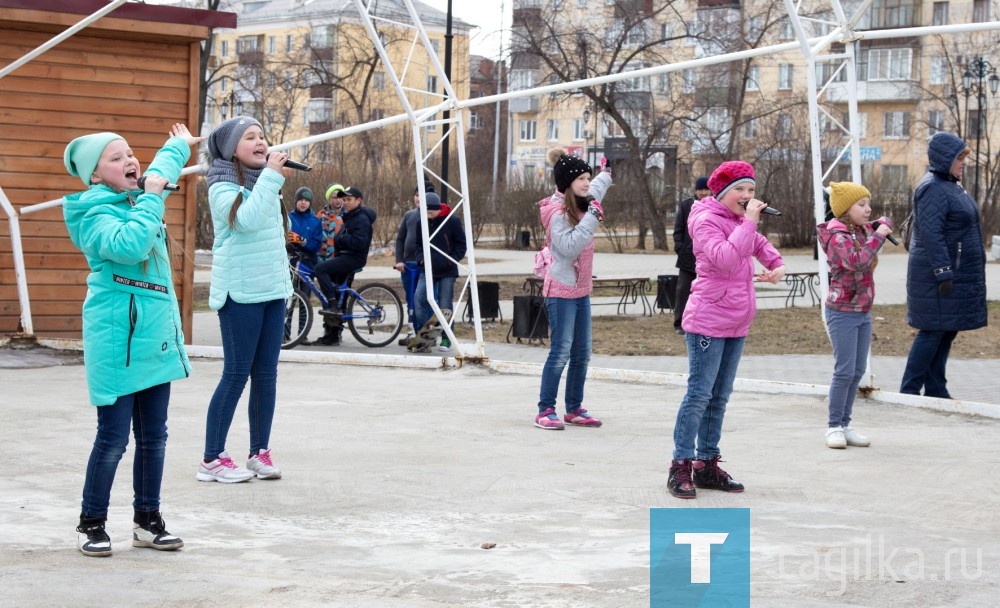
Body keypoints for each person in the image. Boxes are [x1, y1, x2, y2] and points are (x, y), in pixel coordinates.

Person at [62, 123, 203, 556]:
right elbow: (130, 246)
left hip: (153, 338)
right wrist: (152, 198)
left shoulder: (136, 195)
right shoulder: (93, 212)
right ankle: (92, 523)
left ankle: (148, 519)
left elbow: (158, 169)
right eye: (115, 158)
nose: (129, 161)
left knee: (155, 436)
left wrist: (178, 146)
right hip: (116, 339)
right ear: (94, 175)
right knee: (112, 439)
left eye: (129, 154)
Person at [667, 161, 786, 499]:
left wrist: (777, 264)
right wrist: (749, 222)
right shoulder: (706, 220)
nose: (747, 196)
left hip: (736, 321)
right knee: (699, 394)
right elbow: (725, 258)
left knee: (720, 396)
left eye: (751, 190)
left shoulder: (738, 221)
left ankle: (707, 463)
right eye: (740, 190)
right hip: (708, 319)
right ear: (721, 193)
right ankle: (680, 463)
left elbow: (759, 245)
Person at [199, 115, 293, 483]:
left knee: (266, 375)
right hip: (240, 293)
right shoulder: (221, 185)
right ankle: (212, 458)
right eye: (249, 137)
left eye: (262, 135)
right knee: (237, 374)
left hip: (271, 290)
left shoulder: (265, 182)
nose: (260, 141)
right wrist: (271, 176)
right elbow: (247, 221)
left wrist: (270, 180)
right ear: (229, 148)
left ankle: (259, 451)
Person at [900, 132, 988, 398]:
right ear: (945, 159)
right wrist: (942, 270)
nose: (963, 163)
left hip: (955, 271)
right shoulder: (933, 187)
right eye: (959, 158)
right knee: (932, 331)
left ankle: (936, 388)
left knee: (946, 330)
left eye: (964, 157)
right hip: (938, 275)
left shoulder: (949, 184)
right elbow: (931, 234)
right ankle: (909, 391)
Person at [534, 149, 613, 430]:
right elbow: (568, 249)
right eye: (580, 178)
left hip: (581, 291)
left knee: (582, 352)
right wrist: (592, 216)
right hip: (560, 290)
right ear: (567, 182)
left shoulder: (584, 200)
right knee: (561, 352)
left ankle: (574, 408)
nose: (586, 183)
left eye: (588, 177)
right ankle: (545, 410)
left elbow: (598, 188)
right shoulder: (557, 213)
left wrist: (608, 172)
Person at [816, 182, 894, 449]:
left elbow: (870, 233)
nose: (868, 209)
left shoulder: (860, 230)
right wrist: (879, 233)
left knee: (858, 370)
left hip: (863, 310)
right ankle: (833, 426)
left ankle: (846, 424)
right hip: (842, 312)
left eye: (868, 203)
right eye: (861, 204)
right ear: (845, 210)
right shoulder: (836, 236)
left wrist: (879, 225)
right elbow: (857, 260)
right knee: (844, 371)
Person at [313, 186, 377, 345]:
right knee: (335, 291)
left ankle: (333, 307)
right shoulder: (351, 216)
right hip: (344, 256)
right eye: (344, 199)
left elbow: (359, 243)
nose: (345, 202)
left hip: (352, 258)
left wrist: (341, 239)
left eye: (348, 199)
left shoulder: (361, 219)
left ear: (358, 200)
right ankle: (332, 335)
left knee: (320, 270)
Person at [411, 191, 467, 352]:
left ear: (438, 209)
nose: (428, 215)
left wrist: (450, 259)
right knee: (419, 299)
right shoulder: (422, 222)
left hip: (447, 271)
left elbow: (461, 245)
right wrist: (421, 258)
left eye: (431, 212)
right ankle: (425, 337)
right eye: (425, 212)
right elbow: (418, 245)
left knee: (445, 305)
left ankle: (447, 338)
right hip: (427, 269)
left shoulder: (452, 221)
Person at [395, 181, 436, 344]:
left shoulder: (433, 216)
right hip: (408, 264)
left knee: (424, 299)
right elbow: (400, 239)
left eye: (423, 195)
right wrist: (399, 260)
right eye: (417, 195)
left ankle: (427, 333)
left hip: (425, 265)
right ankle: (412, 332)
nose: (419, 198)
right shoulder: (409, 216)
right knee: (411, 299)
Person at [672, 176, 711, 335]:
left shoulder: (716, 206)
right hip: (687, 257)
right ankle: (679, 322)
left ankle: (704, 321)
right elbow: (678, 230)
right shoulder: (687, 205)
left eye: (705, 189)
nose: (702, 192)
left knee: (707, 291)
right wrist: (680, 248)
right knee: (683, 290)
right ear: (695, 190)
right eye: (700, 189)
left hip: (709, 258)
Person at [287, 186, 322, 265]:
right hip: (289, 261)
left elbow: (317, 246)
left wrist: (302, 241)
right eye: (300, 200)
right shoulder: (288, 218)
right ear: (296, 201)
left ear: (310, 203)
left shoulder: (315, 221)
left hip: (308, 262)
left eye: (306, 200)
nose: (303, 202)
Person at [316, 183, 345, 263]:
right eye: (335, 197)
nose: (338, 200)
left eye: (340, 197)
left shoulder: (348, 215)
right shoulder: (321, 215)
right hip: (322, 258)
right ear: (329, 198)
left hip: (340, 258)